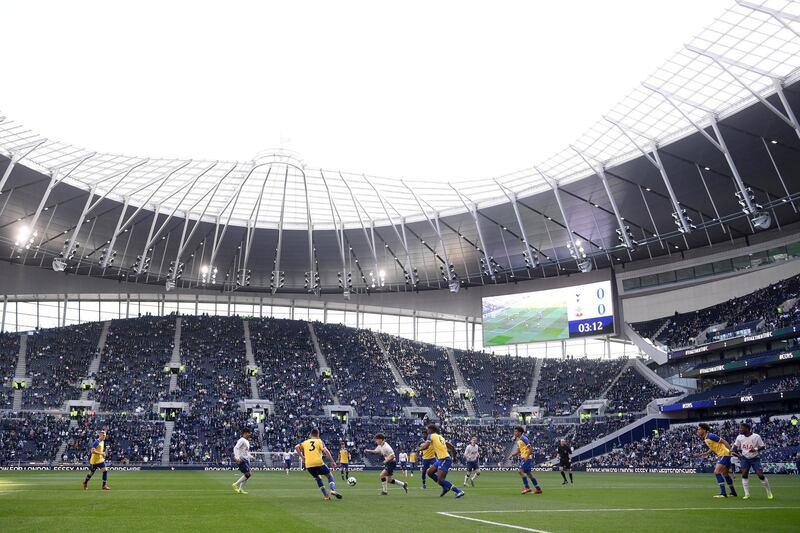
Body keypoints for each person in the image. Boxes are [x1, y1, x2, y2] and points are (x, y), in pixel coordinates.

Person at [295, 428, 342, 500]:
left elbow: (296, 447)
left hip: (309, 464)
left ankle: (326, 496)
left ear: (311, 434)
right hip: (318, 462)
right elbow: (326, 451)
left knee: (318, 478)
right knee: (329, 476)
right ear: (318, 434)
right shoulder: (319, 441)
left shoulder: (305, 442)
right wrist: (332, 461)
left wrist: (302, 457)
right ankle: (332, 490)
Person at [421, 424, 465, 498]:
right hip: (441, 459)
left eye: (427, 429)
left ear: (431, 430)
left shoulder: (431, 435)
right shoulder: (440, 437)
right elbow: (452, 447)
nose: (427, 431)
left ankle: (458, 491)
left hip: (444, 459)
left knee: (440, 479)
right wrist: (454, 458)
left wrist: (418, 449)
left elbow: (426, 446)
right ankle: (445, 487)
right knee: (429, 472)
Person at [732, 422, 773, 500]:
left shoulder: (756, 436)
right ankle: (747, 494)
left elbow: (763, 446)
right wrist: (738, 454)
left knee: (760, 475)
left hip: (755, 458)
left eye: (741, 428)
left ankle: (769, 492)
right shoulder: (739, 437)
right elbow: (734, 448)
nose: (740, 429)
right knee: (744, 474)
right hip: (745, 458)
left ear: (747, 429)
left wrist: (755, 449)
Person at [697, 423, 737, 498]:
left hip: (724, 454)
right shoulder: (706, 438)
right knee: (725, 474)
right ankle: (733, 492)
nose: (697, 431)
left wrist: (730, 450)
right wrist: (706, 453)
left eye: (699, 429)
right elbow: (713, 447)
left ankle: (723, 493)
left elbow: (724, 441)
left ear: (704, 430)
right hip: (723, 454)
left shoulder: (710, 436)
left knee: (716, 472)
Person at [510, 426, 541, 495]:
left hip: (525, 458)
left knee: (520, 471)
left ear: (519, 432)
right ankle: (538, 489)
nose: (514, 433)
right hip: (522, 457)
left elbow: (530, 449)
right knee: (529, 474)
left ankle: (527, 487)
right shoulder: (519, 440)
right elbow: (518, 451)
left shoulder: (524, 438)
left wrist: (526, 457)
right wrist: (512, 455)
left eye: (515, 431)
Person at [231, 427, 253, 494]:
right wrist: (237, 458)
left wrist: (251, 456)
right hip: (241, 459)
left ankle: (240, 489)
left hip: (246, 459)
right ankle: (235, 484)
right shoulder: (242, 440)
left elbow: (245, 452)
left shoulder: (247, 441)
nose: (250, 434)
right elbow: (236, 448)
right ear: (245, 433)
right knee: (248, 474)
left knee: (247, 475)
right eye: (249, 433)